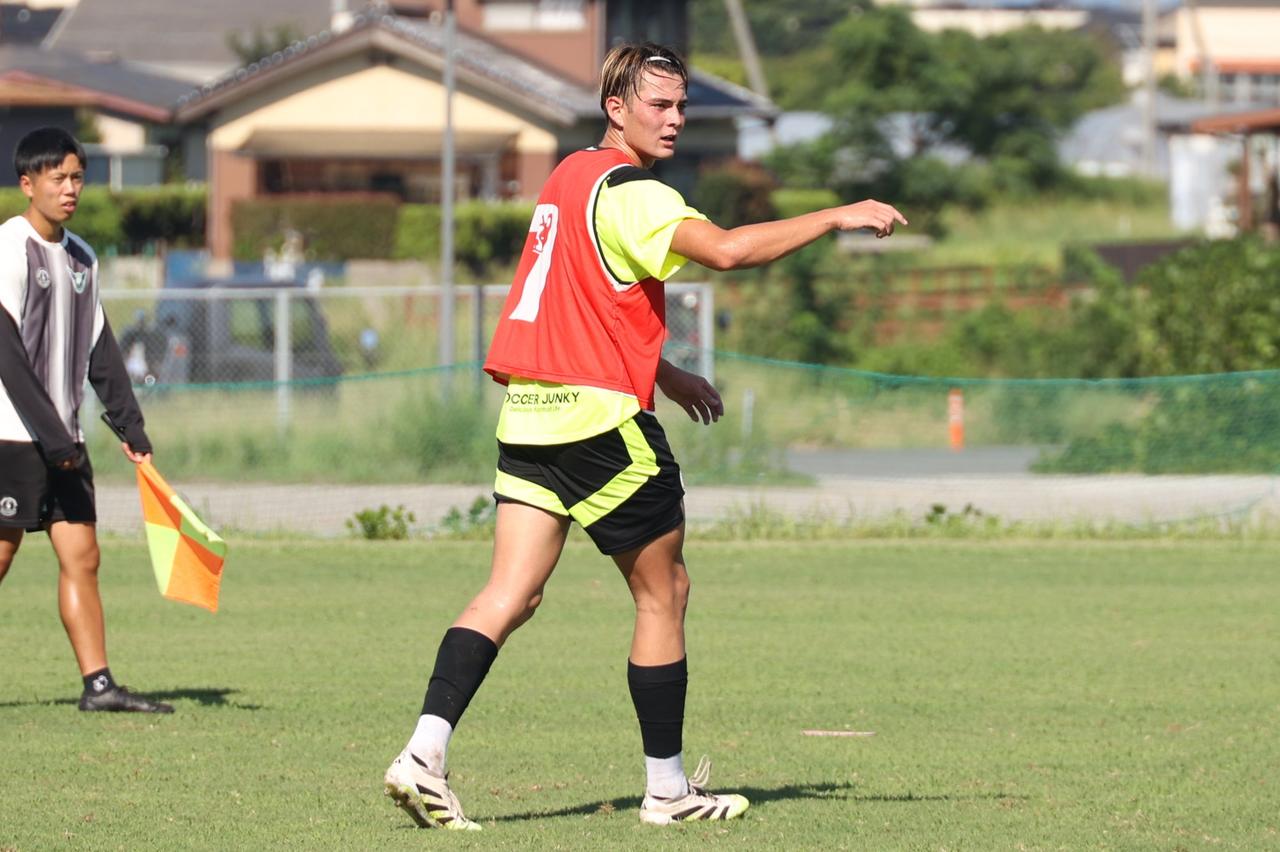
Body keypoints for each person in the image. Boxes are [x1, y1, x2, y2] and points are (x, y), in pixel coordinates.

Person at [383, 42, 906, 830]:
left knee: (511, 594)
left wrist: (667, 372)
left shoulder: (569, 178)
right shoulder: (636, 193)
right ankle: (667, 790)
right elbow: (727, 251)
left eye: (682, 105)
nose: (675, 119)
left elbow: (586, 301)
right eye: (658, 106)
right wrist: (838, 213)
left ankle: (422, 752)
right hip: (599, 427)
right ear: (615, 108)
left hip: (529, 419)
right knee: (664, 592)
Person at [0, 127, 172, 714]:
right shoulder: (8, 247)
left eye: (77, 177)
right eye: (58, 178)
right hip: (14, 440)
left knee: (83, 557)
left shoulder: (82, 257)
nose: (70, 188)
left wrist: (131, 428)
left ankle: (98, 685)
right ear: (28, 184)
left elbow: (100, 348)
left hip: (64, 441)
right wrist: (52, 439)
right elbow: (7, 356)